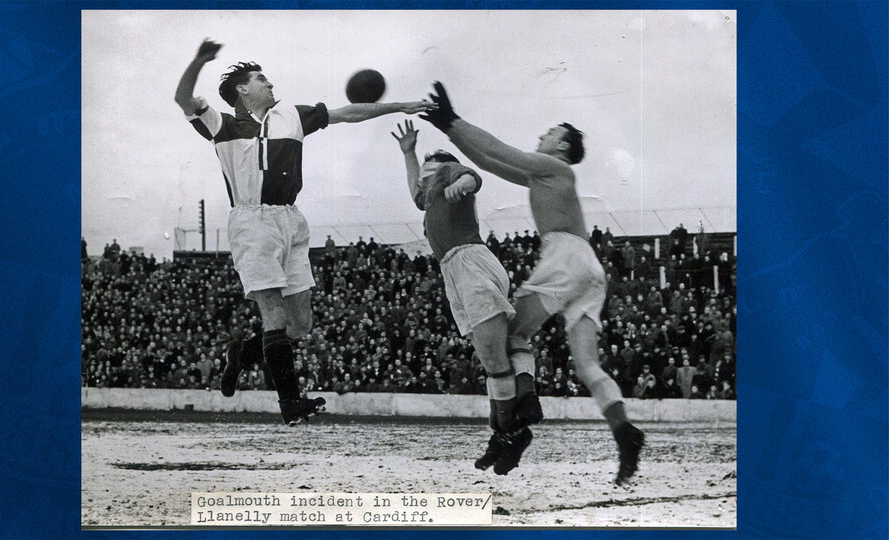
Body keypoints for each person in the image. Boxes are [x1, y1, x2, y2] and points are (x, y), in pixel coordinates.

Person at [174, 39, 432, 425]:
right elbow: (182, 97)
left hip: (291, 220)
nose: (270, 84)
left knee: (300, 325)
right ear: (243, 89)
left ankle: (242, 355)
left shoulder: (291, 115)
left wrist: (400, 105)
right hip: (251, 221)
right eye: (261, 79)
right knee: (273, 315)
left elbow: (348, 113)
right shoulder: (221, 124)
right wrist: (198, 61)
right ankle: (290, 404)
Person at [419, 81, 644, 485]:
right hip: (588, 268)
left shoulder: (555, 167)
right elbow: (488, 162)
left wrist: (451, 120)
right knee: (588, 366)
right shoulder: (544, 176)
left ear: (562, 146)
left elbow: (500, 149)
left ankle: (517, 417)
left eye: (551, 132)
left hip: (565, 257)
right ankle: (625, 433)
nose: (543, 135)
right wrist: (450, 131)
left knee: (510, 335)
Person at [391, 120, 537, 475]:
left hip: (469, 260)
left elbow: (472, 177)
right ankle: (509, 427)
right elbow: (415, 194)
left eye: (428, 169)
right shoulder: (430, 193)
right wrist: (409, 153)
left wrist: (461, 183)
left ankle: (514, 427)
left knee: (492, 354)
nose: (423, 177)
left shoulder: (446, 172)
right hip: (455, 269)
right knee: (492, 355)